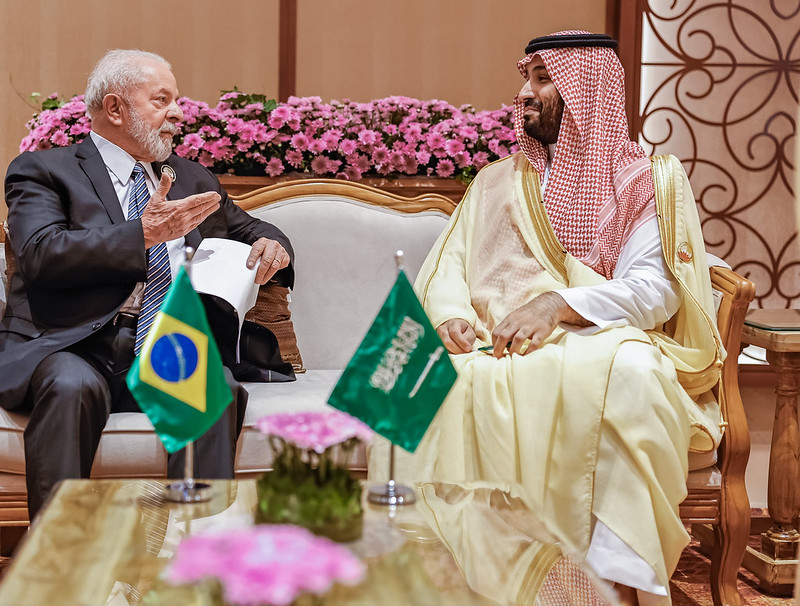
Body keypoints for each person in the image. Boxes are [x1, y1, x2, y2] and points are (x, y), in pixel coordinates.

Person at [403, 31, 724, 605]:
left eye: (543, 80)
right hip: (488, 344)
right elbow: (447, 264)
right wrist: (450, 314)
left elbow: (654, 290)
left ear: (588, 91)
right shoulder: (498, 180)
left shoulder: (644, 180)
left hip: (588, 338)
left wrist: (558, 305)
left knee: (630, 372)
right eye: (524, 79)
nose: (524, 93)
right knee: (405, 373)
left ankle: (614, 584)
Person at [0, 49, 294, 520]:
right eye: (162, 100)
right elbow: (40, 254)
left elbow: (249, 227)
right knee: (70, 387)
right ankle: (64, 566)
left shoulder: (188, 176)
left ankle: (189, 563)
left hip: (167, 345)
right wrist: (142, 234)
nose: (179, 113)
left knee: (209, 390)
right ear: (115, 108)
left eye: (176, 101)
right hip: (74, 344)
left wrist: (273, 245)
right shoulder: (45, 170)